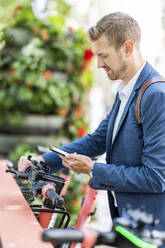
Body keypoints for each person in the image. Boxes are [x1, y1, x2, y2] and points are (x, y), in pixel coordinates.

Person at [18, 12, 165, 234]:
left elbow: (156, 178)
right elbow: (96, 141)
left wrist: (94, 169)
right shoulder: (126, 91)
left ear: (127, 48)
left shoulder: (155, 95)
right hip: (129, 222)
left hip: (152, 230)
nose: (98, 64)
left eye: (103, 55)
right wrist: (42, 162)